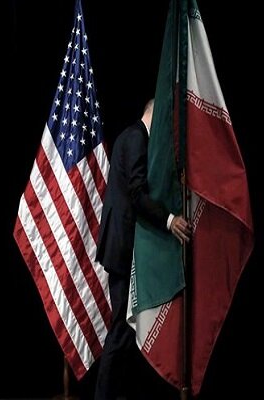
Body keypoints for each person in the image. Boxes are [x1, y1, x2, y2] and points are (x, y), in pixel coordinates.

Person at [94, 98, 190, 400]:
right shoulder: (137, 137)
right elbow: (137, 194)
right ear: (155, 115)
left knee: (125, 333)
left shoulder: (131, 136)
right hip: (122, 247)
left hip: (121, 246)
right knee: (121, 332)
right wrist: (170, 220)